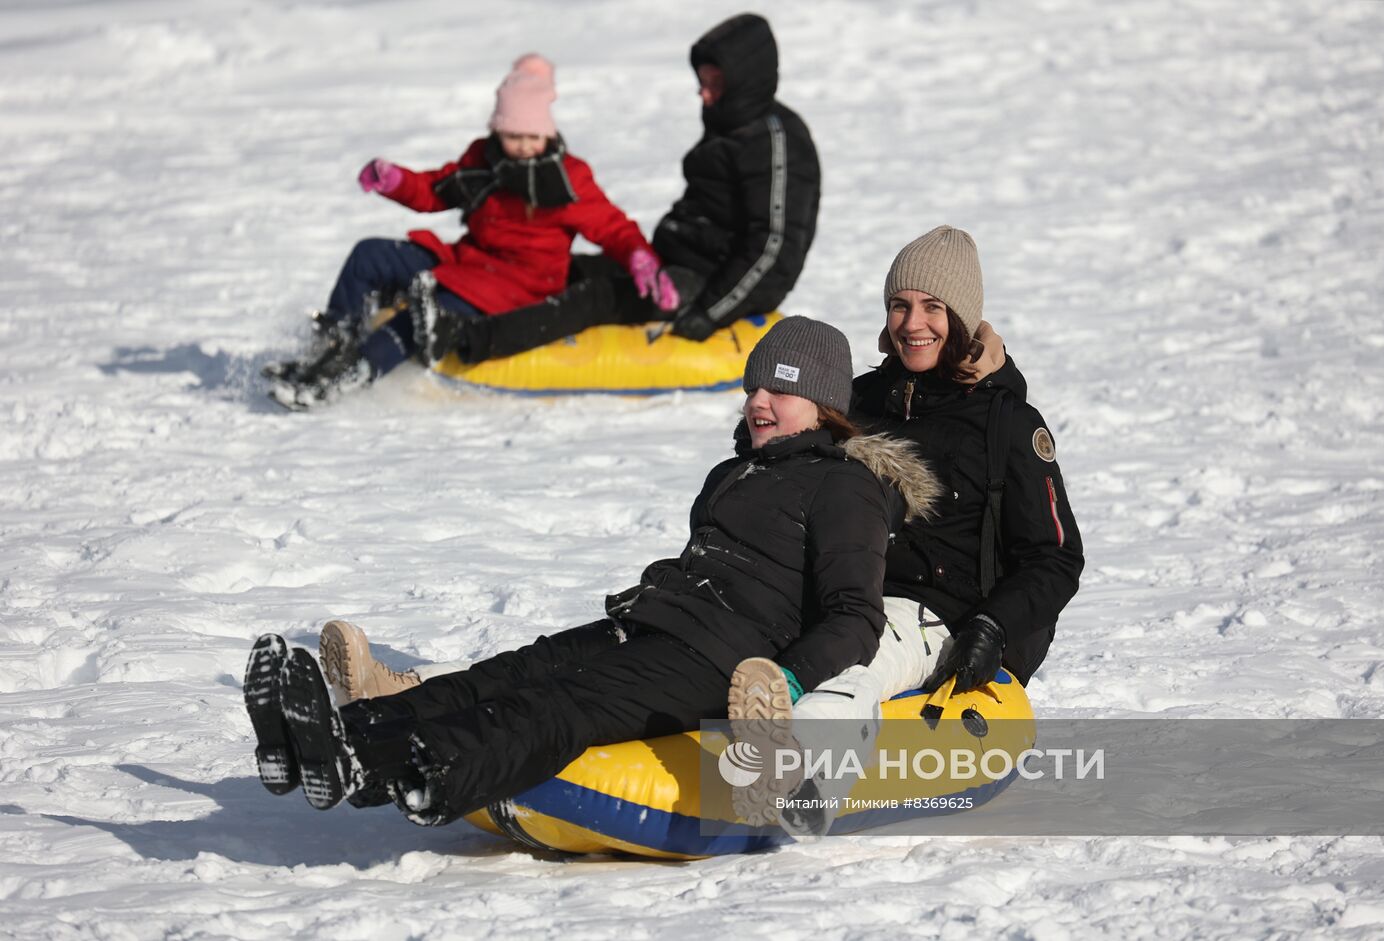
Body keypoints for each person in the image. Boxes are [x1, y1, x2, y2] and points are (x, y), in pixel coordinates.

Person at [244, 317, 940, 824]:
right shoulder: (737, 470)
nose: (758, 401)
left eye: (779, 392)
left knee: (555, 707)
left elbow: (855, 614)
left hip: (716, 656)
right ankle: (337, 735)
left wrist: (786, 679)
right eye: (753, 386)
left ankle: (375, 762)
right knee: (506, 673)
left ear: (822, 406)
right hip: (649, 621)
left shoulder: (843, 485)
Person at [729, 225, 1086, 835]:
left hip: (932, 612)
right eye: (900, 305)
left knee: (857, 660)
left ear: (963, 317)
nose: (913, 323)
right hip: (836, 584)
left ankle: (802, 781)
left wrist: (992, 628)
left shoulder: (1007, 424)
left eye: (933, 307)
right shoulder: (858, 401)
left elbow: (1055, 558)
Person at [265, 53, 676, 409]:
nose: (523, 145)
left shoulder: (568, 178)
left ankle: (347, 377)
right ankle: (329, 350)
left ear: (548, 133)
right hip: (468, 260)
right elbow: (435, 191)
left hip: (518, 285)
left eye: (533, 136)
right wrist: (395, 180)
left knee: (425, 313)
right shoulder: (483, 159)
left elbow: (612, 227)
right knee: (370, 254)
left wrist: (640, 258)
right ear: (497, 129)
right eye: (513, 135)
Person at [423, 12, 822, 367]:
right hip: (675, 261)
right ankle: (456, 291)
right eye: (701, 82)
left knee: (597, 298)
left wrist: (711, 312)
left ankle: (467, 341)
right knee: (567, 268)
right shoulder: (730, 120)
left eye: (714, 84)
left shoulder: (777, 143)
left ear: (745, 82)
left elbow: (774, 248)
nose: (702, 93)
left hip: (713, 283)